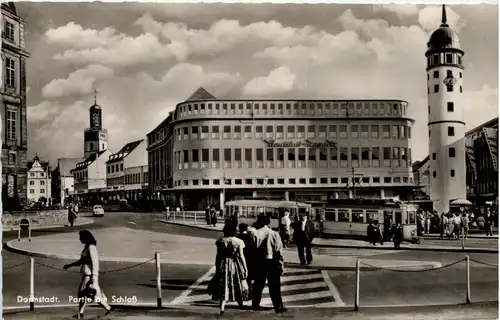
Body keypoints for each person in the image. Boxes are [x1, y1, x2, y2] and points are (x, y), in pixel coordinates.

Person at [63, 230, 113, 319]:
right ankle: (107, 308)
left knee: (84, 294)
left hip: (89, 275)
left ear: (86, 237)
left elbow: (94, 263)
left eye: (81, 237)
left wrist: (94, 277)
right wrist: (70, 265)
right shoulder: (87, 247)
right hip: (86, 274)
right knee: (89, 294)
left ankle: (82, 313)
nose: (79, 239)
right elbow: (82, 261)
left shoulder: (91, 247)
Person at [250, 215, 287, 314]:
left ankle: (255, 305)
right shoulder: (275, 234)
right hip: (272, 262)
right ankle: (278, 306)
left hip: (259, 262)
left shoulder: (255, 234)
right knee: (274, 286)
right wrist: (281, 264)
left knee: (258, 285)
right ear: (268, 222)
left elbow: (252, 250)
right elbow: (279, 251)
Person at [210, 223, 249, 315]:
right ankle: (240, 304)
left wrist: (217, 267)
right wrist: (245, 268)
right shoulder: (239, 241)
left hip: (224, 263)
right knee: (237, 283)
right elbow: (241, 256)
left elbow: (218, 256)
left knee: (224, 285)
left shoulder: (220, 241)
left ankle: (222, 307)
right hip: (235, 264)